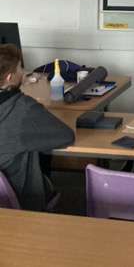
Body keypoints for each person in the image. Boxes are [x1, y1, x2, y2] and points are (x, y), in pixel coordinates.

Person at [0, 43, 75, 211]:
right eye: (20, 68)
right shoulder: (22, 108)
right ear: (10, 78)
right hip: (20, 199)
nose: (24, 73)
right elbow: (65, 136)